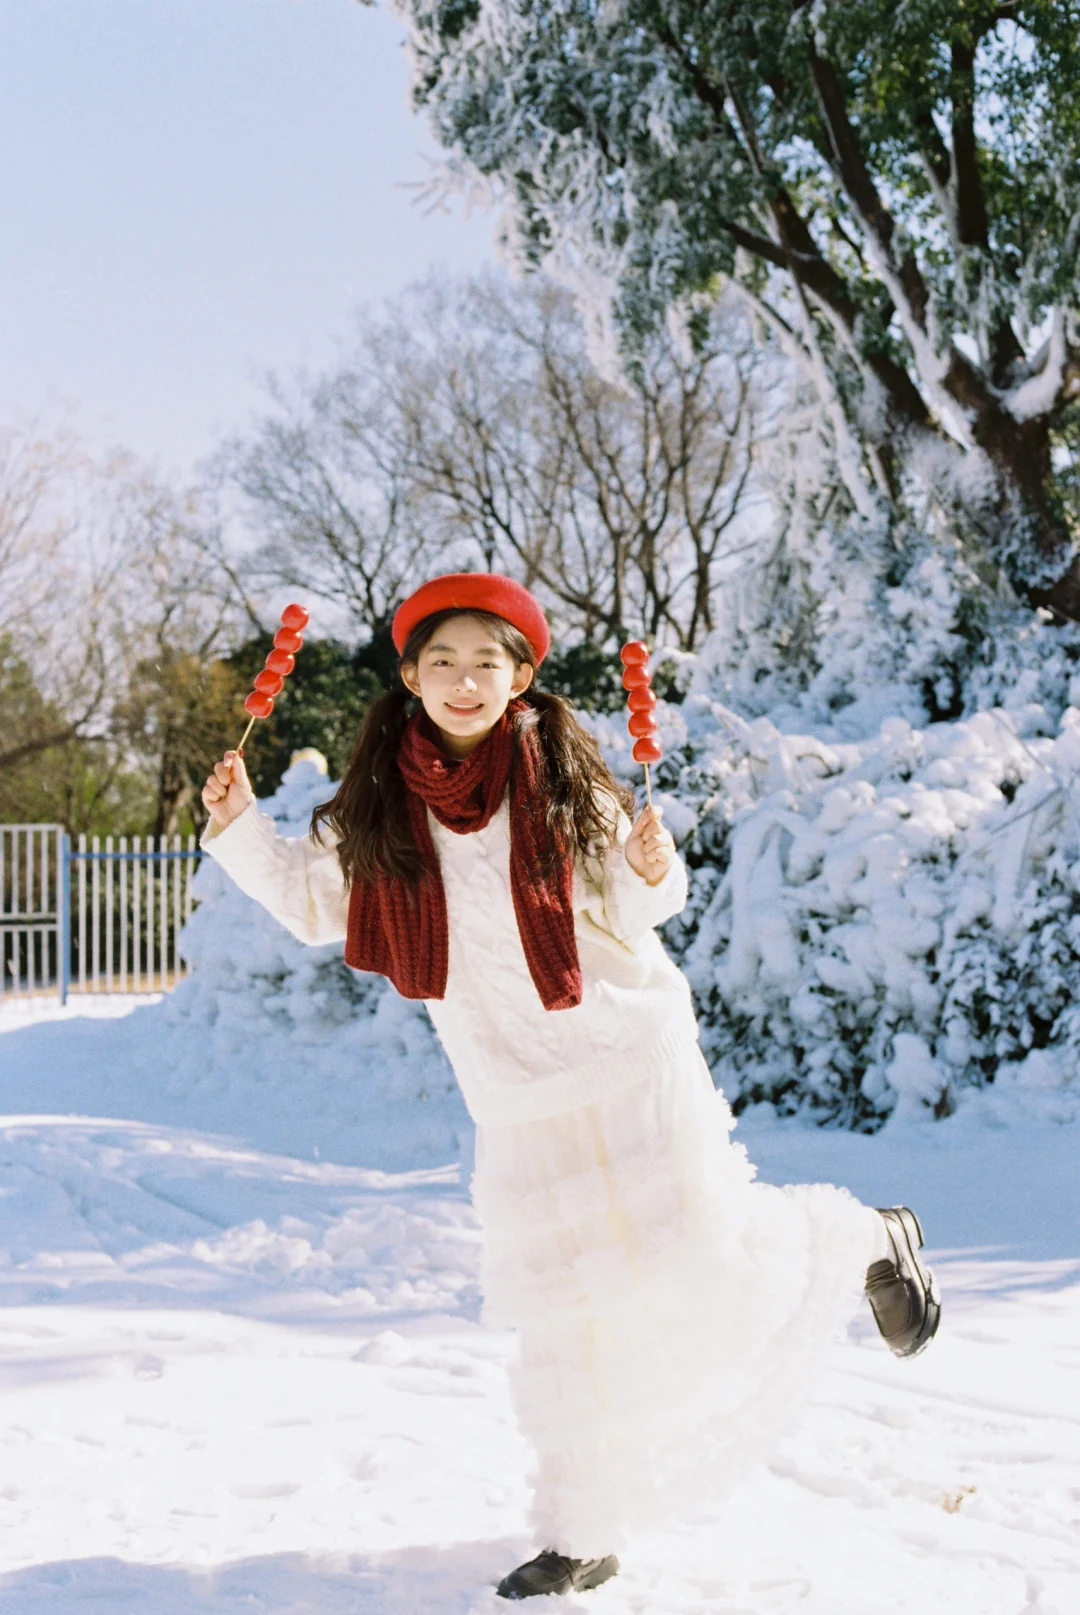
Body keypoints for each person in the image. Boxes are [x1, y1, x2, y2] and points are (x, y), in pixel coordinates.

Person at [201, 574, 940, 1601]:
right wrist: (240, 827)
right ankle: (580, 1529)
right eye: (444, 662)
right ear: (410, 676)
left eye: (487, 663)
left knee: (705, 1261)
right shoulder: (381, 806)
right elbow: (308, 904)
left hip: (630, 1058)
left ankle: (866, 1236)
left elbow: (636, 913)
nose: (466, 681)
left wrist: (650, 865)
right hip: (515, 1095)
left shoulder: (559, 784)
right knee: (566, 1318)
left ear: (522, 677)